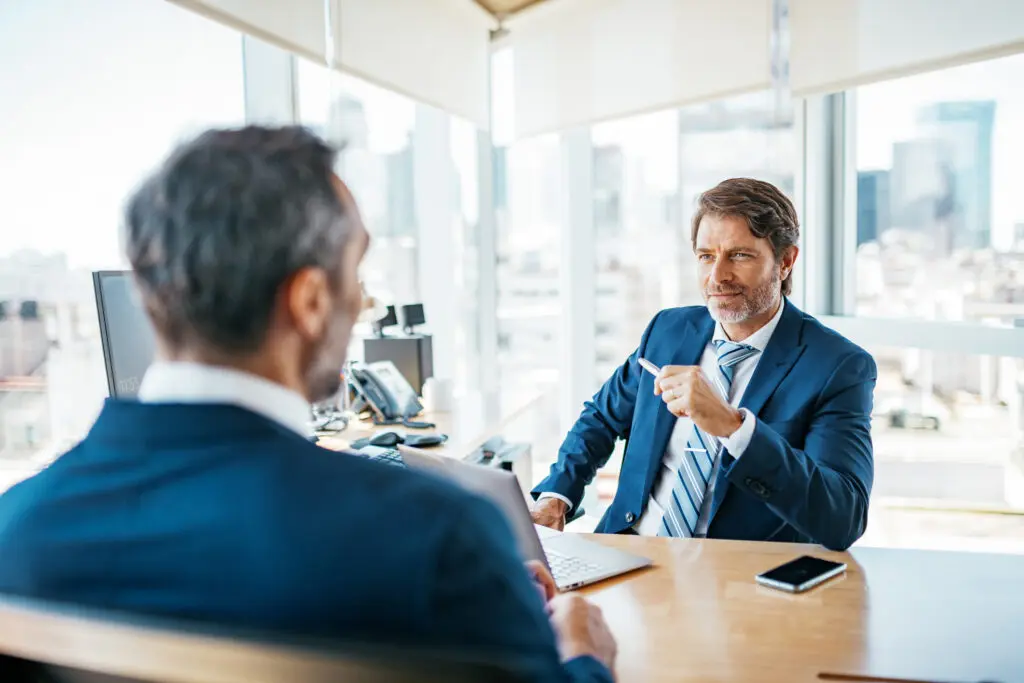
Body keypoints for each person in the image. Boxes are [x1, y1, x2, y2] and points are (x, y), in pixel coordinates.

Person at [0, 127, 615, 683]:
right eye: (356, 274)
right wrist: (579, 654)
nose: (364, 302)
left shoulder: (16, 529)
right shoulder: (437, 538)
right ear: (311, 301)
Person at [532, 178, 875, 551]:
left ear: (786, 261)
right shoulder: (667, 330)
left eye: (739, 255)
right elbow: (600, 419)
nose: (717, 276)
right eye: (706, 256)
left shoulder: (837, 367)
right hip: (627, 553)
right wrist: (557, 496)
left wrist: (734, 428)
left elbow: (843, 517)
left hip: (733, 577)